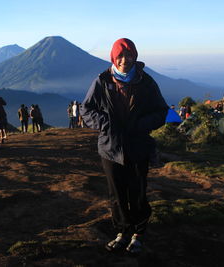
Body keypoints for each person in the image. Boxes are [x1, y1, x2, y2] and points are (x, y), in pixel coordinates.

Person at [80, 38, 168, 255]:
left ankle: (138, 233)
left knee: (137, 192)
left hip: (138, 146)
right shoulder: (102, 81)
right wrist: (106, 124)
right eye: (120, 55)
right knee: (117, 193)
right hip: (111, 148)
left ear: (134, 57)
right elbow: (86, 109)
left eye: (128, 55)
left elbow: (161, 111)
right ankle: (122, 231)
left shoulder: (145, 82)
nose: (124, 60)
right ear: (113, 57)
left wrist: (141, 125)